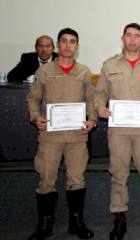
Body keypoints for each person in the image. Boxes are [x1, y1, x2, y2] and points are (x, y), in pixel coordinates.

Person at [94, 23, 140, 239]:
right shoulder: (109, 65)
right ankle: (119, 220)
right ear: (122, 38)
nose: (133, 40)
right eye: (129, 35)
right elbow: (99, 94)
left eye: (137, 36)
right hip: (118, 130)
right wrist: (100, 108)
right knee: (118, 174)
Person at [27, 28, 96, 240]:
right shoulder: (44, 72)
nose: (68, 45)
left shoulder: (84, 72)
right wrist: (35, 117)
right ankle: (45, 225)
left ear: (77, 46)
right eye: (64, 41)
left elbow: (91, 101)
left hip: (77, 136)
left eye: (72, 42)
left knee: (77, 179)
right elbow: (33, 99)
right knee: (47, 178)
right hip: (51, 136)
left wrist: (92, 119)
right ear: (58, 45)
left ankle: (76, 222)